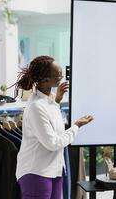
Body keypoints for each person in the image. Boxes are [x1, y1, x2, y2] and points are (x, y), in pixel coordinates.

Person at [14, 55, 94, 199]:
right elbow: (52, 143)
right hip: (36, 172)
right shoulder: (36, 107)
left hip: (53, 170)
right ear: (45, 80)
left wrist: (57, 100)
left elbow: (52, 124)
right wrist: (76, 126)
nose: (62, 76)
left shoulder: (48, 101)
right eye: (58, 74)